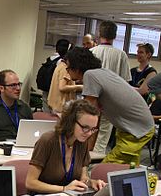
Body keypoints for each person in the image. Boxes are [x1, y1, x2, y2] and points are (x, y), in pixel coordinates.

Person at [66, 47, 154, 165]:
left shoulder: (90, 75)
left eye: (68, 68)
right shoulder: (102, 72)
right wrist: (87, 151)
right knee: (128, 168)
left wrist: (84, 154)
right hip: (134, 127)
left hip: (137, 129)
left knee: (104, 171)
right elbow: (95, 116)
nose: (67, 71)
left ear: (76, 67)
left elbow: (89, 117)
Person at [90, 21, 132, 155]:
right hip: (111, 100)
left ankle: (84, 158)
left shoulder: (91, 52)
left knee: (88, 130)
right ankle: (96, 161)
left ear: (99, 34)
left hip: (92, 98)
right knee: (103, 134)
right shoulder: (121, 55)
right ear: (115, 35)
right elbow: (125, 82)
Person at [47, 39, 83, 113]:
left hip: (55, 103)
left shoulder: (60, 64)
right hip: (61, 106)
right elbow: (62, 87)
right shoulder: (66, 68)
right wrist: (80, 87)